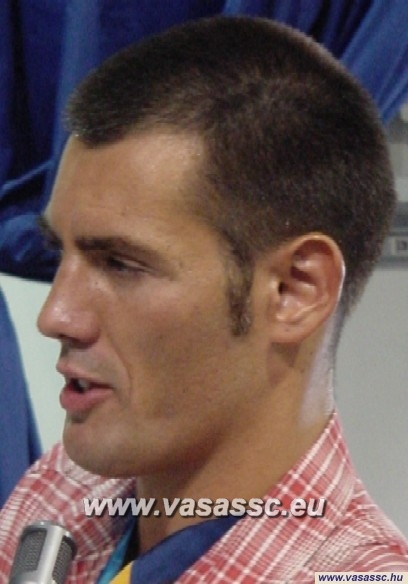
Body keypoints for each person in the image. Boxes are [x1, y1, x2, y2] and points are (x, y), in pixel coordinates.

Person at [0, 16, 407, 583]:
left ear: (295, 290)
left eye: (121, 264)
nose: (56, 315)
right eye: (58, 253)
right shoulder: (64, 489)